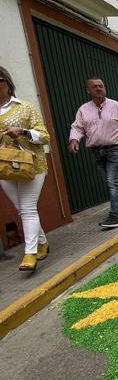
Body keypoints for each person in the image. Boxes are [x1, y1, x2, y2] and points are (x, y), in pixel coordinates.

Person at [69, 78, 118, 229]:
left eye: (101, 86)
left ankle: (116, 216)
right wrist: (74, 140)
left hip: (115, 149)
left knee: (112, 181)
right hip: (96, 152)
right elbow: (77, 127)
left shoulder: (116, 106)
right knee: (109, 182)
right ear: (88, 90)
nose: (98, 88)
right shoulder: (83, 109)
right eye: (94, 86)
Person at [0, 66, 50, 272]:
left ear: (7, 83)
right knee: (23, 209)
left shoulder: (24, 107)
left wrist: (23, 131)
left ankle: (30, 254)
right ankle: (43, 242)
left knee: (28, 209)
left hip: (31, 164)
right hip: (4, 167)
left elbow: (45, 136)